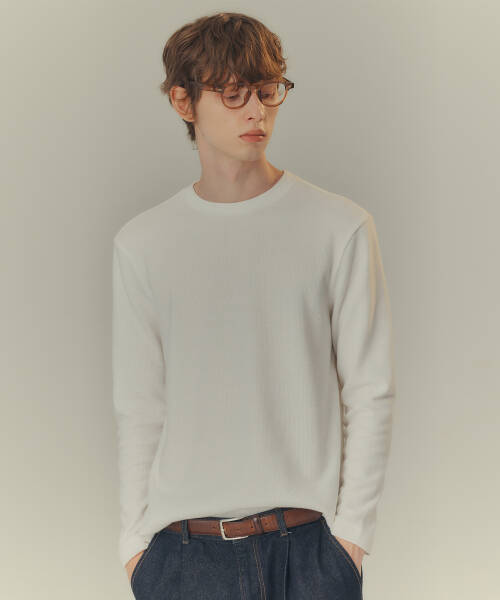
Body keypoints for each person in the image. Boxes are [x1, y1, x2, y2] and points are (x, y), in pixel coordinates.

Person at [112, 11, 395, 599]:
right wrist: (136, 546)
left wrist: (352, 537)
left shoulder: (338, 226)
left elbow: (370, 390)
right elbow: (139, 406)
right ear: (183, 101)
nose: (256, 111)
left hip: (310, 553)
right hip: (180, 558)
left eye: (267, 91)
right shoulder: (142, 243)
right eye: (233, 92)